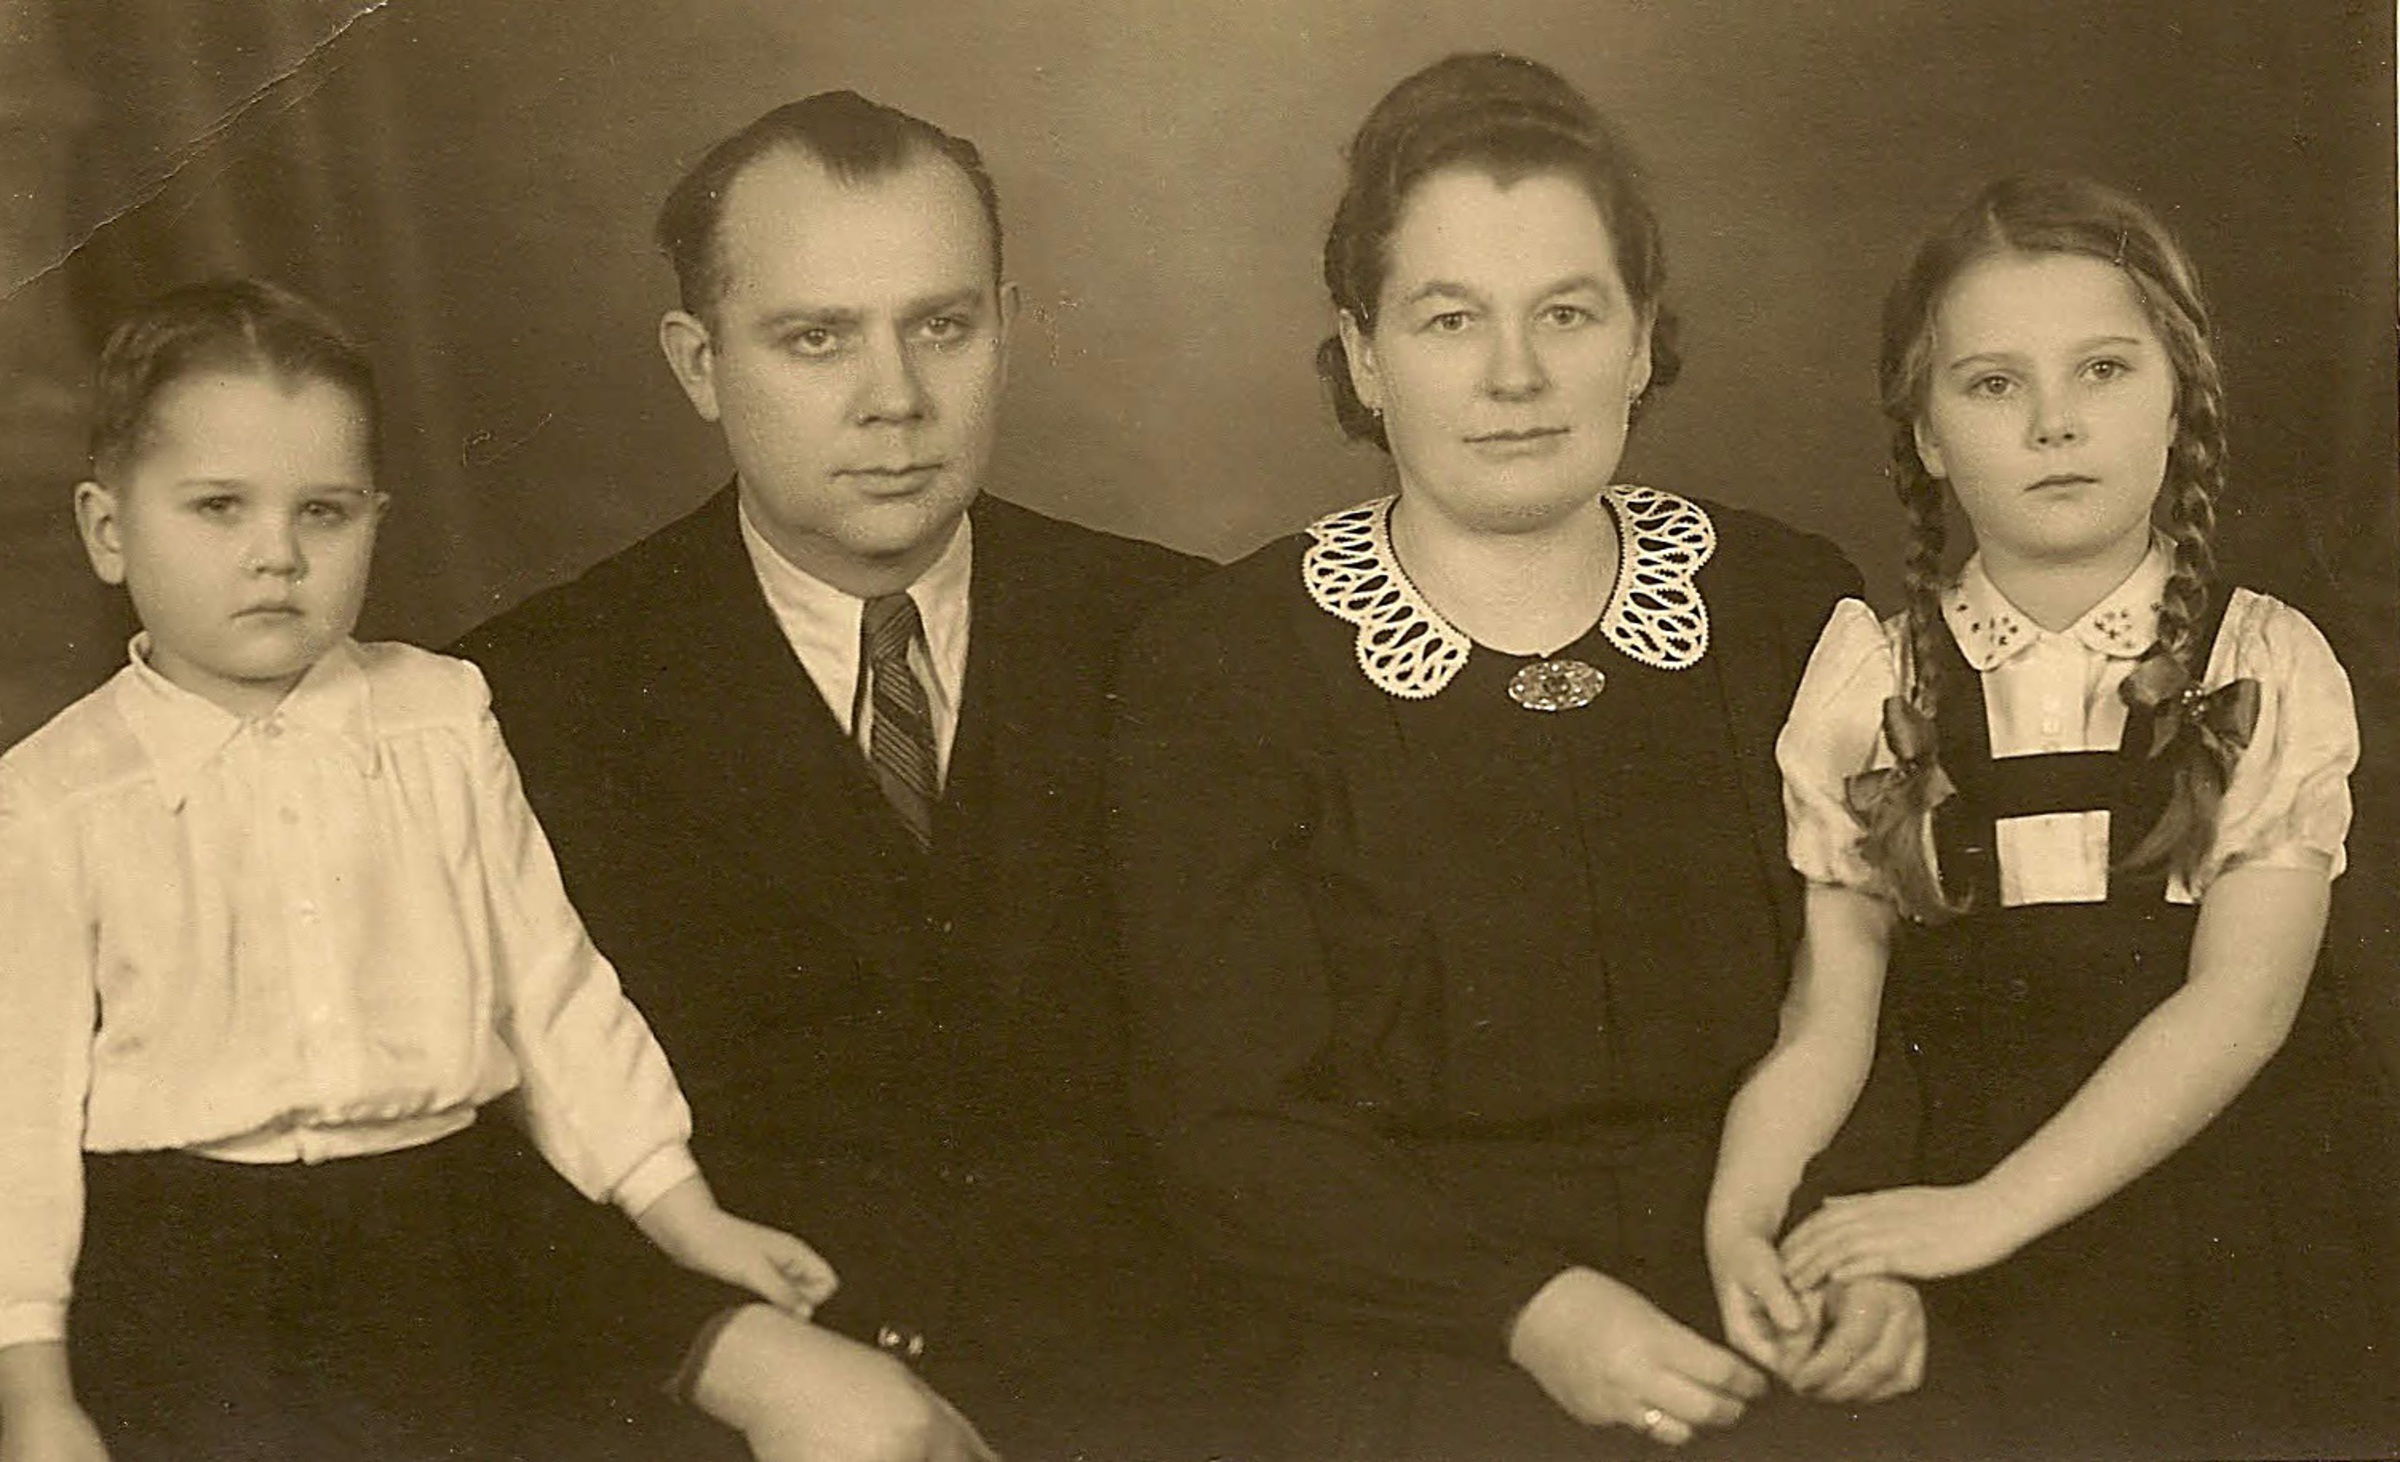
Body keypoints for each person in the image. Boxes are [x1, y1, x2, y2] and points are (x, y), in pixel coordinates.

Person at [1110, 52, 1927, 1460]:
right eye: (1449, 319)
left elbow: (1882, 997)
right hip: (1421, 1343)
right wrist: (1528, 1310)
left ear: (1642, 338)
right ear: (1365, 354)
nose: (1515, 376)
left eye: (1567, 311)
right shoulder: (1225, 662)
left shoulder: (1786, 603)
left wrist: (1872, 1248)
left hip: (1783, 1294)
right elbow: (1228, 1122)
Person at [453, 92, 1247, 1462]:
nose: (895, 400)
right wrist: (725, 1353)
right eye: (816, 338)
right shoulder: (521, 696)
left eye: (941, 326)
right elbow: (448, 1149)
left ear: (1006, 326)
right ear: (699, 363)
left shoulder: (1190, 637)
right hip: (738, 1418)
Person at [0, 279, 831, 1462]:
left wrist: (682, 1210)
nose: (277, 554)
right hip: (187, 1262)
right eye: (219, 507)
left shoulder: (439, 720)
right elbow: (17, 1113)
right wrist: (33, 1387)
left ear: (377, 521)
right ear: (108, 529)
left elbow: (550, 990)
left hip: (442, 1224)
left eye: (324, 511)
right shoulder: (53, 798)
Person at [1709, 173, 2395, 1459]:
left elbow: (2241, 1005)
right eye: (1992, 384)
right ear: (1926, 433)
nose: (2053, 423)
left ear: (2180, 397)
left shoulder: (2260, 659)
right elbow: (1827, 1021)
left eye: (2104, 370)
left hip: (2229, 1207)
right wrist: (1742, 1218)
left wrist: (1991, 1213)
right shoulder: (1873, 680)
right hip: (1964, 1200)